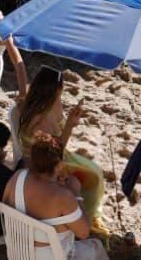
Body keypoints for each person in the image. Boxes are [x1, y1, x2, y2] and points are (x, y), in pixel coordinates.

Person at [2, 131, 118, 260]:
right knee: (96, 246)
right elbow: (84, 232)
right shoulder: (63, 197)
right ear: (58, 166)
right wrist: (76, 194)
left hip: (18, 258)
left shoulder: (17, 177)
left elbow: (5, 205)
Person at [16, 66, 107, 235]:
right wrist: (70, 126)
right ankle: (80, 216)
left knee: (96, 171)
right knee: (93, 177)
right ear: (55, 90)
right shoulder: (38, 123)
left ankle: (83, 214)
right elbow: (52, 153)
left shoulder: (45, 105)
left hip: (54, 155)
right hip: (46, 162)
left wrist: (70, 120)